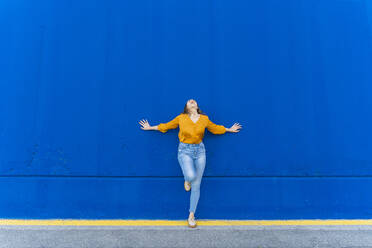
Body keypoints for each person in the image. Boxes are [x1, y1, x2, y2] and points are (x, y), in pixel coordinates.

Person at [139, 99, 242, 228]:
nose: (192, 101)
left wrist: (229, 129)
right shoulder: (181, 118)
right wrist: (150, 127)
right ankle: (187, 180)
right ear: (187, 107)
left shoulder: (204, 119)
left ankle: (191, 215)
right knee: (192, 176)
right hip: (184, 151)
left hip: (200, 151)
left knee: (197, 185)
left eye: (193, 101)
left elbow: (215, 128)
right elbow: (167, 125)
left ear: (197, 106)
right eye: (189, 101)